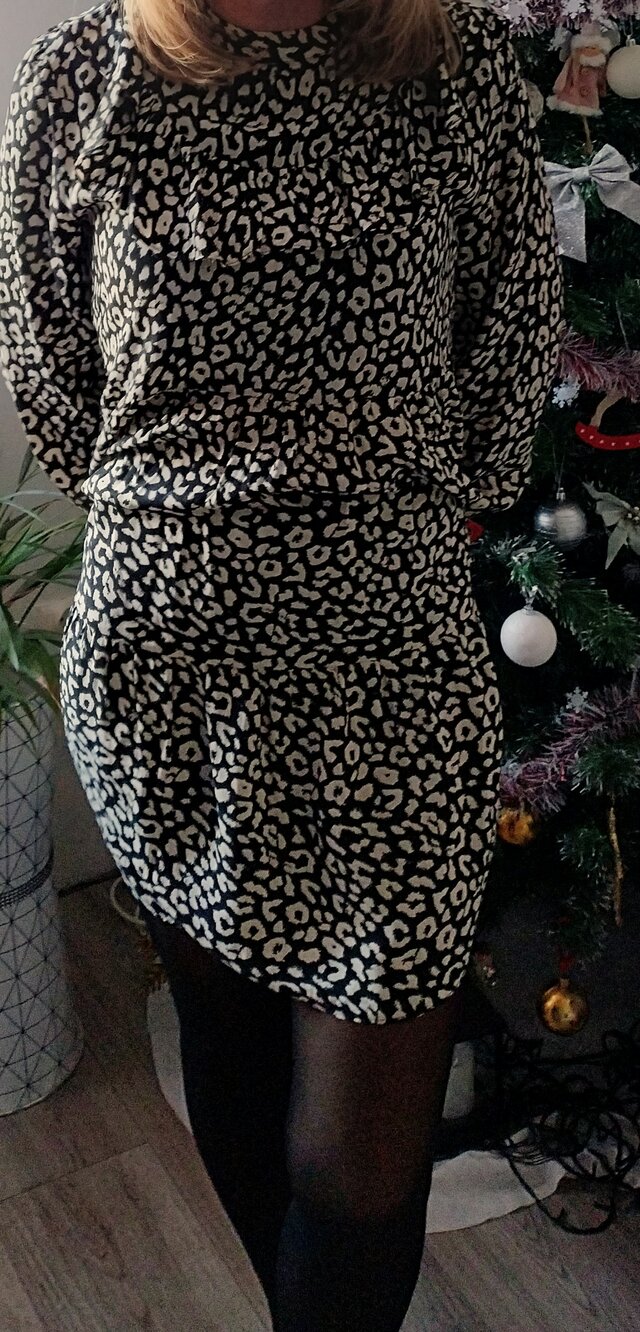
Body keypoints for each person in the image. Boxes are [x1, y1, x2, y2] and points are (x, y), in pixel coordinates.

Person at [0, 0, 563, 1327]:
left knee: (359, 1160)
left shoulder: (459, 61)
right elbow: (51, 371)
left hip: (394, 666)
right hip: (166, 669)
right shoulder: (83, 74)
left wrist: (361, 521)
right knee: (236, 1058)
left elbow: (509, 353)